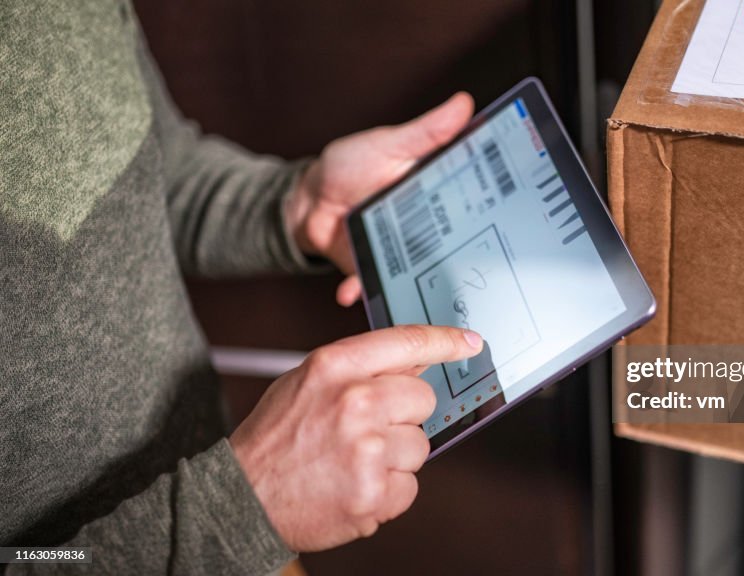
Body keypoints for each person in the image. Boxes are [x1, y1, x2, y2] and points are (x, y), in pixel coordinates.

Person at [0, 2, 481, 573]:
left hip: (243, 506)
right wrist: (242, 509)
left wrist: (297, 204)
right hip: (241, 511)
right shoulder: (245, 504)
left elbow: (155, 166)